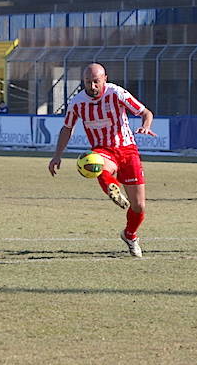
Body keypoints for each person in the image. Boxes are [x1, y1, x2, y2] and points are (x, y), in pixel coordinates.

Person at [48, 63, 156, 257]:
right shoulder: (77, 102)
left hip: (128, 150)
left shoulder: (117, 93)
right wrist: (57, 155)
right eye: (88, 82)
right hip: (103, 151)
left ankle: (129, 235)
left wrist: (146, 126)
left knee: (139, 207)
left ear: (105, 78)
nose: (92, 86)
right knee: (94, 163)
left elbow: (145, 113)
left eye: (96, 81)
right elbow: (67, 128)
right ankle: (112, 188)